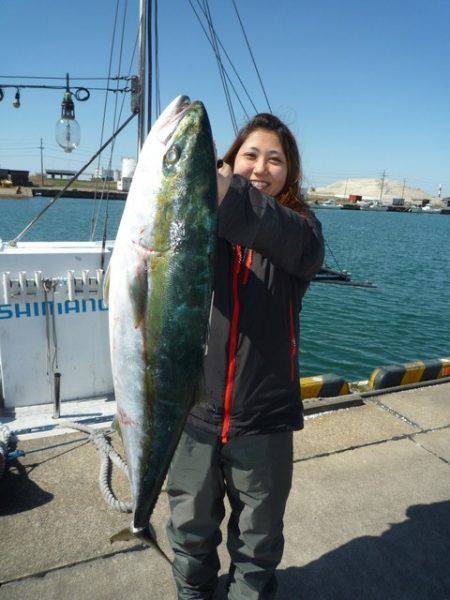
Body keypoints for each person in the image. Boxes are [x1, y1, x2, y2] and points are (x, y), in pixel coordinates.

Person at [166, 113, 325, 599]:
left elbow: (264, 223)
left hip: (265, 421)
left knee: (257, 545)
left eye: (274, 159)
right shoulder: (198, 225)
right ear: (231, 160)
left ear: (289, 173)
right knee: (190, 533)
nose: (260, 167)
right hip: (194, 413)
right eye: (250, 155)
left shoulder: (302, 233)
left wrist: (222, 188)